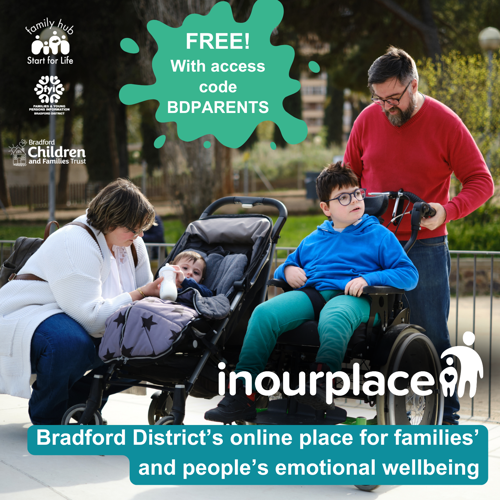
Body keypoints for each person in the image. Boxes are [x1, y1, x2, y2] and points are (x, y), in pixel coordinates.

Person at [343, 46, 495, 424]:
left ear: (414, 86)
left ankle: (447, 420)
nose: (386, 108)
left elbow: (481, 181)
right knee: (363, 331)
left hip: (423, 246)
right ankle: (376, 410)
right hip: (372, 244)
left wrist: (447, 210)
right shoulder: (366, 119)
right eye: (379, 100)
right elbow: (348, 177)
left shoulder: (445, 122)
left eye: (394, 98)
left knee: (432, 335)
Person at [204, 162, 418, 423]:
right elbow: (287, 266)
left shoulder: (379, 235)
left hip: (359, 300)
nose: (354, 200)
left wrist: (368, 278)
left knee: (334, 314)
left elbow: (409, 274)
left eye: (357, 193)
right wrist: (289, 270)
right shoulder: (315, 238)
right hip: (314, 294)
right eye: (343, 197)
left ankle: (321, 383)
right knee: (264, 313)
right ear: (326, 208)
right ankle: (243, 393)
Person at [0, 179, 164, 425]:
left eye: (142, 228)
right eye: (134, 229)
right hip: (35, 311)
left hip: (75, 312)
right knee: (70, 343)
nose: (140, 234)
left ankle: (79, 406)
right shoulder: (76, 241)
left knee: (149, 347)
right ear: (111, 222)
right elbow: (94, 321)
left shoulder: (132, 244)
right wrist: (139, 293)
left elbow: (145, 296)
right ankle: (49, 417)